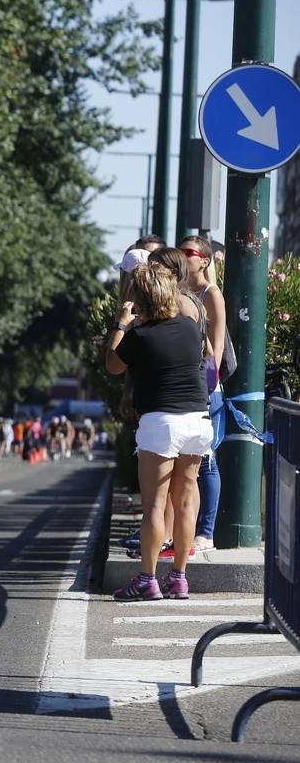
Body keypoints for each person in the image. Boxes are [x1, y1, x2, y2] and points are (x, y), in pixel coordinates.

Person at [105, 263, 211, 600]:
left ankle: (147, 580)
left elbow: (112, 364)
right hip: (197, 418)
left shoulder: (138, 335)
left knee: (154, 504)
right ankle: (179, 578)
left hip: (160, 422)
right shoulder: (190, 326)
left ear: (141, 300)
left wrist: (121, 323)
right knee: (184, 502)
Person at [180, 235, 229, 553]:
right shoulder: (180, 292)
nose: (183, 257)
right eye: (180, 251)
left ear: (205, 260)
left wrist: (207, 388)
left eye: (189, 253)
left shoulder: (212, 295)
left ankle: (206, 532)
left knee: (207, 462)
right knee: (186, 463)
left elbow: (217, 352)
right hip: (181, 389)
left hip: (206, 389)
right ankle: (185, 529)